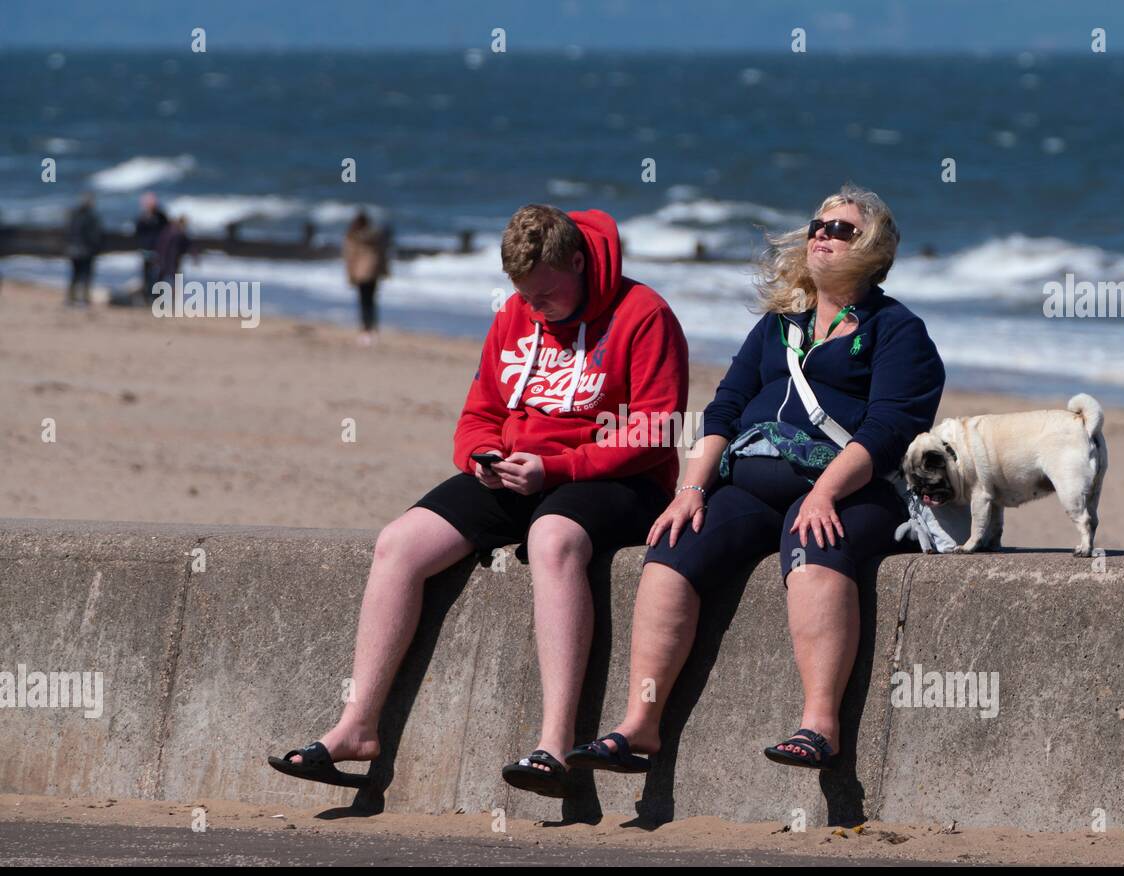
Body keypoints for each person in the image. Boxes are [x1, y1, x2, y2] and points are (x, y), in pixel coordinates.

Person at [269, 205, 689, 798]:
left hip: (618, 479)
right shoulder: (516, 312)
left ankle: (553, 744)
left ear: (578, 261)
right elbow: (477, 416)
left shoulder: (644, 313)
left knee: (552, 538)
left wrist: (561, 467)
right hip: (519, 473)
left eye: (545, 294)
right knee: (399, 543)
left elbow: (656, 429)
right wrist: (482, 458)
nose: (535, 307)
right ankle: (356, 727)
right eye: (525, 295)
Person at [566, 186, 944, 775]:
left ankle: (819, 725)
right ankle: (639, 724)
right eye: (818, 223)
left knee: (815, 542)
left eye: (841, 228)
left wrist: (824, 492)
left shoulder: (898, 330)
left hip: (850, 489)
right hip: (747, 483)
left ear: (873, 247)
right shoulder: (779, 326)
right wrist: (691, 489)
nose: (822, 233)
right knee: (671, 545)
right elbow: (725, 408)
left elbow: (890, 428)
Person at [343, 210, 390, 346]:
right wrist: (385, 271)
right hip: (374, 272)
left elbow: (350, 257)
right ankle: (373, 330)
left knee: (363, 303)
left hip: (360, 273)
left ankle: (365, 331)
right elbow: (383, 255)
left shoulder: (353, 236)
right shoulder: (377, 237)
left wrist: (350, 275)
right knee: (372, 302)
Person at [65, 193, 104, 306]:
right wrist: (96, 248)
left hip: (73, 250)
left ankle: (71, 299)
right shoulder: (91, 216)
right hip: (86, 251)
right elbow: (95, 235)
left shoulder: (73, 215)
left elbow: (68, 232)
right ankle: (84, 299)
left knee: (74, 275)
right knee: (86, 275)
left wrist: (69, 245)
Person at [134, 192, 169, 300]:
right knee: (146, 274)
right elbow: (138, 232)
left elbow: (166, 231)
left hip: (159, 249)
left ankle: (158, 297)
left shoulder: (161, 216)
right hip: (146, 249)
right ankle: (147, 297)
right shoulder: (142, 217)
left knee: (159, 274)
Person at [152, 215, 192, 292]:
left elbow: (187, 245)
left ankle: (170, 296)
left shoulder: (178, 233)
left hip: (173, 259)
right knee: (165, 278)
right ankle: (159, 296)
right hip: (167, 259)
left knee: (172, 278)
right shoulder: (172, 233)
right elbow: (162, 246)